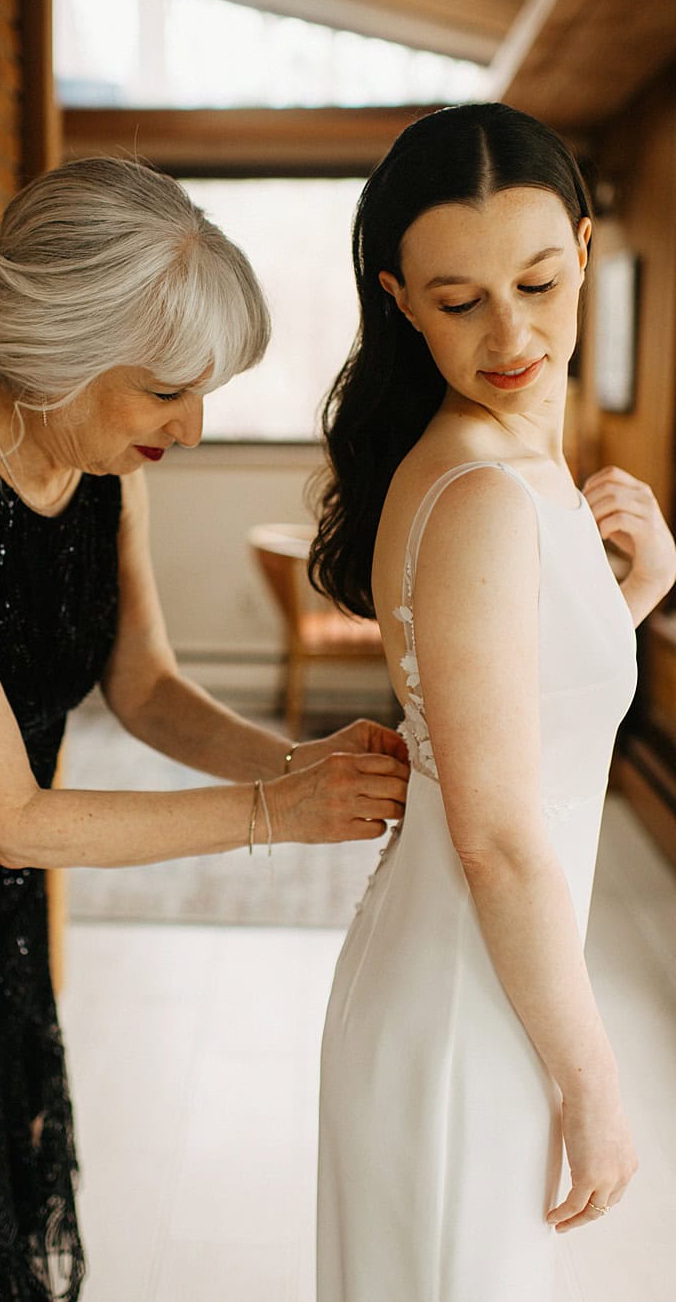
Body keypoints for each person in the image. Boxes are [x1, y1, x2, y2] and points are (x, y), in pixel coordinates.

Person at [0, 157, 412, 1302]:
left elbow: (145, 688)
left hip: (0, 863)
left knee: (6, 1131)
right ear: (59, 350)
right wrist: (273, 813)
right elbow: (13, 817)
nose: (194, 427)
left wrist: (296, 760)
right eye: (167, 389)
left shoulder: (104, 467)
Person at [309, 102, 670, 1300]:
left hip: (486, 976)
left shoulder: (517, 458)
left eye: (538, 282)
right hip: (468, 998)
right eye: (459, 301)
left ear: (580, 245)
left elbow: (524, 706)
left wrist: (639, 590)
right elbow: (501, 835)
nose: (511, 333)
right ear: (398, 298)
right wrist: (594, 1083)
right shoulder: (476, 491)